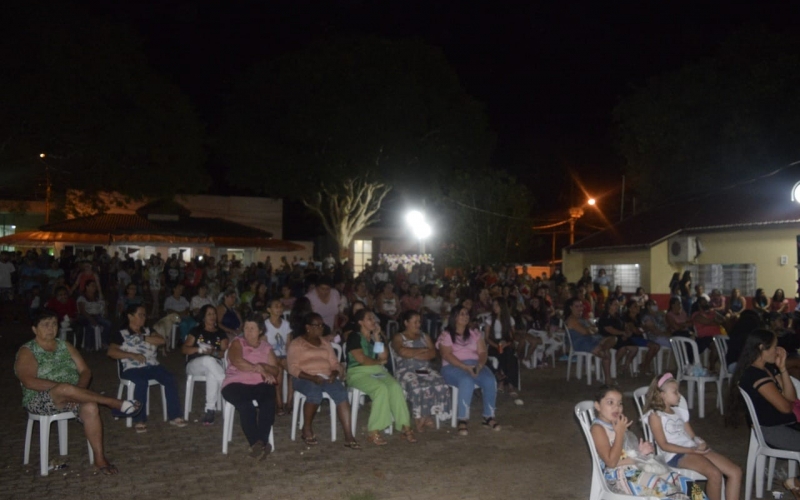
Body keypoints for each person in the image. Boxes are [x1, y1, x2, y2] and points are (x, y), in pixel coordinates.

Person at [14, 310, 141, 476]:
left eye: (53, 324)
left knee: (90, 406)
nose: (50, 328)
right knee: (64, 388)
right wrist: (66, 390)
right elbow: (29, 381)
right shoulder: (28, 351)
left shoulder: (64, 345)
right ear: (34, 329)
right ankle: (113, 402)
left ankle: (99, 458)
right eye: (45, 325)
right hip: (40, 399)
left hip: (72, 395)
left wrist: (77, 391)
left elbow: (85, 371)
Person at [645, 373, 741, 500]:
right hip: (675, 454)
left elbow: (692, 435)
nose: (679, 395)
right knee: (715, 474)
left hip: (692, 449)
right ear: (663, 395)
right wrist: (691, 450)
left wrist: (700, 443)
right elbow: (664, 445)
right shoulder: (655, 416)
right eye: (675, 392)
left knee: (735, 472)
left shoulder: (679, 412)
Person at [728, 329, 800, 496]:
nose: (777, 351)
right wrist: (788, 403)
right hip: (775, 431)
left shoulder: (766, 370)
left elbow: (791, 398)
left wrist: (782, 368)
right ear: (761, 348)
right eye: (774, 347)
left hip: (783, 425)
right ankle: (795, 482)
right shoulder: (755, 375)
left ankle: (795, 484)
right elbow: (786, 407)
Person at [591, 386, 690, 498]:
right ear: (597, 406)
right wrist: (619, 433)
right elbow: (611, 463)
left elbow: (625, 452)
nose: (617, 407)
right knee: (669, 490)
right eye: (610, 402)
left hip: (635, 467)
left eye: (620, 403)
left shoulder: (618, 423)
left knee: (685, 483)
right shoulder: (598, 429)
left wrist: (640, 452)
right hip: (620, 476)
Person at [107, 304, 188, 433]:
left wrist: (143, 337)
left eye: (145, 315)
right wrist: (132, 355)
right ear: (130, 316)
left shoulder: (148, 331)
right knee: (141, 382)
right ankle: (139, 419)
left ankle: (175, 415)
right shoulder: (121, 334)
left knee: (170, 378)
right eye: (140, 315)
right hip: (131, 368)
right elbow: (111, 352)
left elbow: (162, 341)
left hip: (152, 365)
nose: (144, 318)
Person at [286, 312, 360, 448]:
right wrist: (311, 377)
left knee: (342, 394)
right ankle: (306, 429)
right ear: (308, 327)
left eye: (322, 325)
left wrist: (335, 373)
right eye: (317, 325)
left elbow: (334, 363)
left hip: (326, 376)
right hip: (304, 377)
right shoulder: (297, 343)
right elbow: (292, 368)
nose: (321, 328)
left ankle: (349, 435)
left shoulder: (325, 343)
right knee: (314, 393)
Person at [345, 309, 415, 445]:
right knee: (380, 389)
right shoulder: (354, 337)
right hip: (357, 372)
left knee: (395, 386)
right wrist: (378, 362)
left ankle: (405, 427)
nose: (374, 321)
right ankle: (374, 430)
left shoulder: (373, 338)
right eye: (369, 319)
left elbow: (383, 357)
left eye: (373, 318)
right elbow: (361, 359)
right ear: (360, 322)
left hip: (376, 370)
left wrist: (377, 337)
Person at [221, 313, 279, 459]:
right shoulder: (238, 342)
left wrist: (264, 366)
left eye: (252, 328)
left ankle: (261, 443)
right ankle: (257, 443)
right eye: (246, 328)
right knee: (247, 406)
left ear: (260, 330)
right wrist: (258, 368)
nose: (248, 331)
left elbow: (275, 370)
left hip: (259, 383)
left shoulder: (266, 347)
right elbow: (236, 360)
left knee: (269, 402)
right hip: (235, 383)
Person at [436, 306, 500, 436]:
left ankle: (488, 416)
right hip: (452, 367)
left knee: (490, 380)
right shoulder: (446, 335)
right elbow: (446, 355)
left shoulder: (474, 333)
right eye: (462, 314)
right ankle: (462, 419)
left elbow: (482, 352)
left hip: (475, 364)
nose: (465, 316)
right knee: (466, 381)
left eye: (466, 314)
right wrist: (465, 367)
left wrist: (480, 366)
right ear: (454, 317)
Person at [391, 310, 452, 432]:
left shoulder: (424, 336)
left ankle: (426, 415)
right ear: (406, 323)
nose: (418, 324)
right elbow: (402, 352)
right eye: (415, 322)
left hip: (424, 369)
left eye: (419, 321)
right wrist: (422, 350)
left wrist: (412, 353)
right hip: (406, 370)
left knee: (439, 382)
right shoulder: (399, 337)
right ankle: (419, 417)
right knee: (416, 385)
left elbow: (432, 353)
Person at [182, 304, 228, 425]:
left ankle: (210, 410)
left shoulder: (221, 333)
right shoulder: (196, 331)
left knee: (211, 371)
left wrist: (214, 352)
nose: (212, 316)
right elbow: (184, 349)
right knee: (208, 360)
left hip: (214, 365)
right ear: (203, 317)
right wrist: (199, 350)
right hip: (194, 365)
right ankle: (226, 384)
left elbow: (225, 353)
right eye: (209, 314)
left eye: (214, 314)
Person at [564, 297, 617, 383]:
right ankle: (608, 379)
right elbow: (585, 332)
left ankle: (603, 348)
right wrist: (591, 330)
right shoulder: (571, 320)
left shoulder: (582, 318)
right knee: (606, 355)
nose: (580, 308)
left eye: (581, 306)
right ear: (571, 307)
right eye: (576, 306)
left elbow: (594, 329)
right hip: (581, 342)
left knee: (613, 338)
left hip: (592, 339)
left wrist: (591, 330)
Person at [483, 298, 522, 400]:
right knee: (500, 354)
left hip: (505, 342)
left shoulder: (509, 319)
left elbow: (512, 337)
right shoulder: (490, 319)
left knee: (510, 356)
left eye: (497, 305)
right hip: (493, 343)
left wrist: (506, 343)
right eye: (494, 305)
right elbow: (486, 338)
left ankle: (509, 384)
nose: (495, 308)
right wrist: (496, 345)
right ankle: (503, 382)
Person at [265, 298, 292, 415]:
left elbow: (289, 345)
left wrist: (288, 357)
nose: (279, 308)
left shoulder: (286, 324)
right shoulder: (265, 325)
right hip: (270, 356)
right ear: (269, 310)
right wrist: (276, 358)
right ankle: (279, 403)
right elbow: (265, 347)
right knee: (278, 369)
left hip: (283, 355)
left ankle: (289, 402)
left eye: (281, 306)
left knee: (293, 368)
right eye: (276, 306)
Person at [598, 299, 638, 376]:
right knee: (623, 348)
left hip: (620, 336)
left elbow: (624, 325)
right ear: (609, 305)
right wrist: (622, 333)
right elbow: (609, 329)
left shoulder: (617, 315)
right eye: (615, 304)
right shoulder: (606, 316)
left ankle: (625, 366)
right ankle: (613, 366)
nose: (617, 306)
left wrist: (627, 331)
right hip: (609, 338)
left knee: (634, 348)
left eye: (617, 305)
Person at [76, 280, 112, 349]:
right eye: (92, 286)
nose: (94, 287)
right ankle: (88, 346)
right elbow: (82, 311)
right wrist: (91, 319)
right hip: (85, 316)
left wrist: (105, 307)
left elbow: (104, 312)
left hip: (97, 316)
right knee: (89, 325)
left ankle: (103, 342)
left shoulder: (97, 298)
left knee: (108, 324)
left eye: (95, 286)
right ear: (87, 287)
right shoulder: (82, 298)